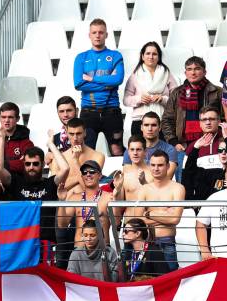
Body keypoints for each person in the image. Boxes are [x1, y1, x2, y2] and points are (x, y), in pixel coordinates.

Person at [0, 136, 69, 265]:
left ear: (43, 164)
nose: (31, 167)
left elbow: (65, 169)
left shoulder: (50, 184)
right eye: (28, 164)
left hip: (45, 242)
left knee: (46, 281)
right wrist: (1, 138)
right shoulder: (16, 182)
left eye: (35, 164)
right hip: (21, 242)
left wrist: (51, 145)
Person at [162, 55, 222, 180]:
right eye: (189, 69)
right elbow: (167, 120)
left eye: (197, 69)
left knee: (209, 181)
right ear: (185, 72)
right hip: (183, 146)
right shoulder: (177, 93)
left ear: (204, 71)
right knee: (184, 181)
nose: (193, 72)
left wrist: (217, 140)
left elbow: (224, 119)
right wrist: (174, 142)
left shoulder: (216, 92)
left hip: (210, 144)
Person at [74, 18, 125, 156]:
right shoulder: (81, 57)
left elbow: (118, 79)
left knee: (117, 150)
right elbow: (78, 83)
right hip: (89, 113)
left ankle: (119, 178)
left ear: (106, 35)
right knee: (86, 152)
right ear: (89, 35)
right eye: (94, 32)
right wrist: (108, 84)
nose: (98, 35)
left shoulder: (115, 56)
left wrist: (92, 79)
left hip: (111, 111)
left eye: (101, 32)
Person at [131, 150, 185, 272]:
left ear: (168, 166)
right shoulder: (144, 189)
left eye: (160, 165)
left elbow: (175, 219)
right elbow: (138, 221)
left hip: (167, 241)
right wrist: (166, 216)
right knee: (146, 280)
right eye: (153, 165)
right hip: (147, 242)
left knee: (172, 281)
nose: (156, 168)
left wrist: (149, 214)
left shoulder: (178, 188)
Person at [181, 112, 227, 203]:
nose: (208, 122)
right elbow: (187, 176)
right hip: (202, 201)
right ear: (200, 123)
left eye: (212, 119)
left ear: (219, 122)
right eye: (204, 120)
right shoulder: (192, 147)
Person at [58, 159, 108, 266]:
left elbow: (116, 222)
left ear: (99, 175)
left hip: (102, 250)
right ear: (82, 177)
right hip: (79, 249)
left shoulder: (108, 197)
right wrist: (62, 201)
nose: (88, 175)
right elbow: (62, 224)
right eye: (85, 172)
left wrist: (117, 192)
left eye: (92, 171)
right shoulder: (74, 198)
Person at [123, 41, 178, 137]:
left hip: (162, 120)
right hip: (140, 121)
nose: (151, 57)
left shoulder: (167, 74)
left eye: (154, 54)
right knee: (140, 151)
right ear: (142, 56)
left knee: (161, 151)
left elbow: (177, 98)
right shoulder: (135, 75)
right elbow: (126, 100)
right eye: (148, 53)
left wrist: (163, 99)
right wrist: (139, 99)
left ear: (159, 56)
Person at [49, 117, 105, 198]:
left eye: (78, 133)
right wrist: (79, 178)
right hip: (64, 204)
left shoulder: (98, 156)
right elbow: (53, 188)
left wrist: (76, 161)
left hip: (86, 204)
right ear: (67, 133)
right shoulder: (59, 159)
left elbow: (89, 188)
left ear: (85, 133)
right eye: (71, 134)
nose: (75, 138)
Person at [121, 111, 178, 178]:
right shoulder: (132, 150)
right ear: (141, 127)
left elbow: (166, 178)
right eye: (146, 125)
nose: (150, 129)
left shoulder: (170, 150)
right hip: (136, 188)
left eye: (153, 125)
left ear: (159, 128)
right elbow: (128, 176)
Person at [0, 102, 35, 177]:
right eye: (3, 117)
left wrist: (2, 165)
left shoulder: (26, 143)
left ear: (17, 119)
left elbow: (25, 164)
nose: (6, 120)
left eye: (10, 117)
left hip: (18, 181)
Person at [114, 135, 152, 202]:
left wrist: (145, 183)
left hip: (148, 212)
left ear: (145, 152)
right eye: (132, 150)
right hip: (129, 212)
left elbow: (159, 203)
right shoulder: (124, 175)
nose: (135, 153)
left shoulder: (153, 173)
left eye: (138, 149)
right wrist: (117, 191)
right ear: (128, 152)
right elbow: (118, 211)